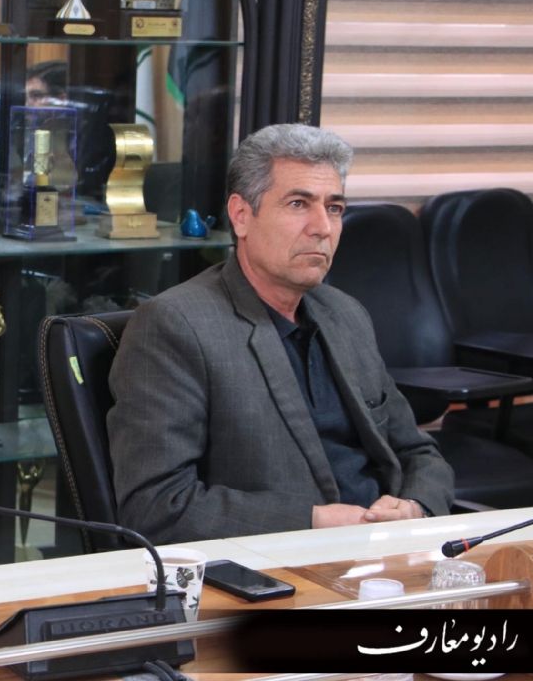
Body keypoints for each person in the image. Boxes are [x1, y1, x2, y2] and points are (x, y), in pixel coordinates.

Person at [108, 124, 454, 544]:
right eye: (298, 204)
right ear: (241, 215)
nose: (322, 227)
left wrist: (415, 506)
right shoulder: (175, 326)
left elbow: (418, 452)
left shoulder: (346, 314)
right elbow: (156, 506)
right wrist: (313, 521)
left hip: (385, 552)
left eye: (334, 208)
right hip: (279, 564)